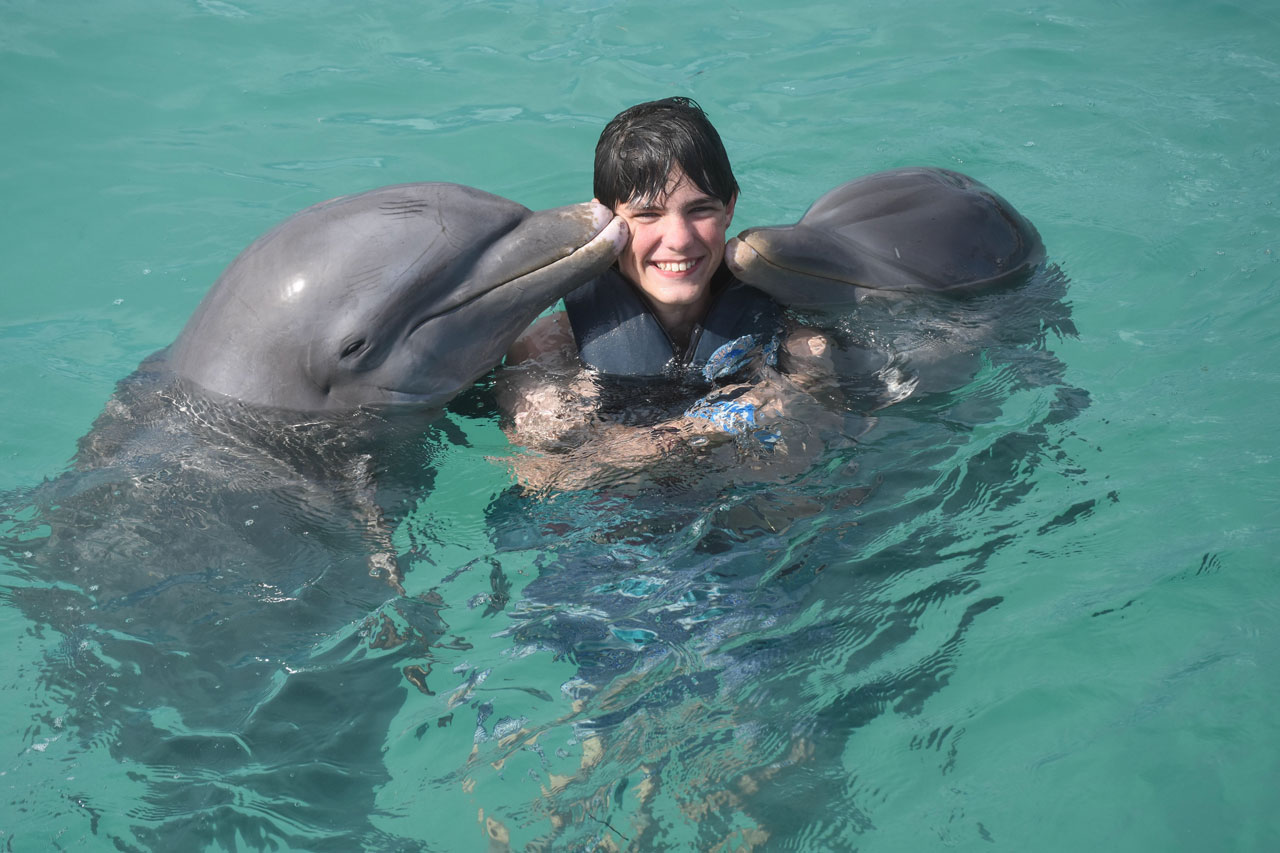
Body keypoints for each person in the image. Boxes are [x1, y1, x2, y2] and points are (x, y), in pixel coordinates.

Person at [498, 97, 837, 488]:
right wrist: (711, 426)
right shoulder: (548, 349)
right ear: (606, 219)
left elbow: (826, 451)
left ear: (729, 209)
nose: (678, 240)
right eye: (647, 214)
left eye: (700, 210)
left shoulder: (800, 345)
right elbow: (544, 478)